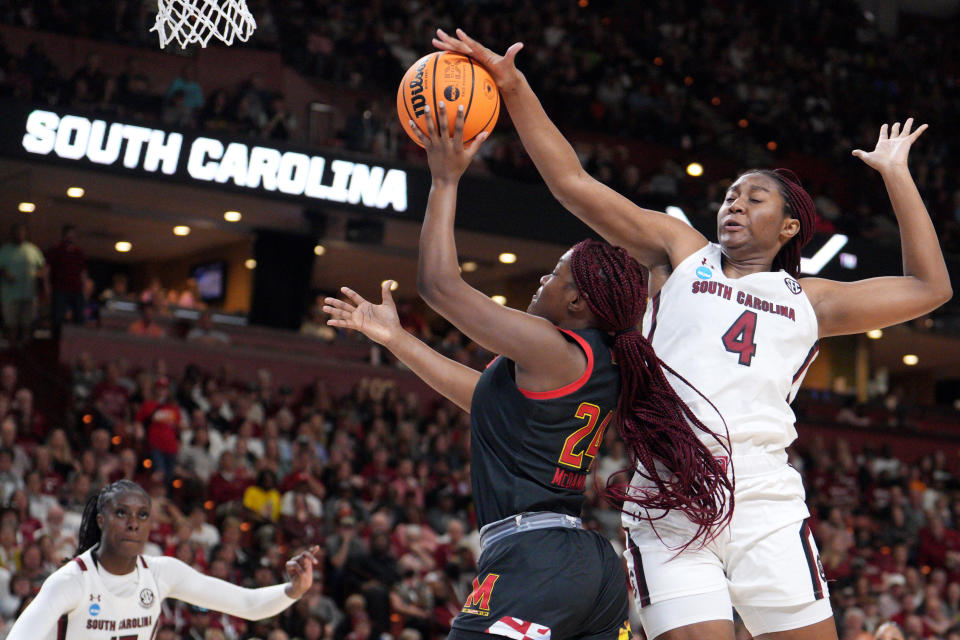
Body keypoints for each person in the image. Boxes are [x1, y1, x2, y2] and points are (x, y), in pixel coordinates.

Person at [431, 28, 953, 640]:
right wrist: (515, 88)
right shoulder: (681, 253)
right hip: (668, 494)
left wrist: (896, 175)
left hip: (762, 494)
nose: (734, 203)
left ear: (789, 226)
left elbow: (929, 287)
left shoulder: (814, 300)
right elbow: (572, 183)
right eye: (731, 195)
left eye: (754, 199)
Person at [323, 103, 731, 640]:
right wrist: (397, 339)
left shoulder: (554, 347)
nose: (543, 279)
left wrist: (445, 179)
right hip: (586, 568)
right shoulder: (600, 358)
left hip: (537, 561)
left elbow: (440, 286)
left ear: (580, 302)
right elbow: (483, 399)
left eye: (556, 275)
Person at [6, 479, 320, 639]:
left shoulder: (161, 573)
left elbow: (248, 605)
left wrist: (293, 590)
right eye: (121, 513)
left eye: (142, 515)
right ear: (101, 520)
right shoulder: (70, 581)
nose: (133, 523)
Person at [0, 222, 46, 346]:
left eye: (22, 232)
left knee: (27, 324)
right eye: (17, 232)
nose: (20, 234)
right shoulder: (5, 250)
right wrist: (5, 273)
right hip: (10, 294)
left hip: (29, 294)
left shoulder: (33, 250)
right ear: (12, 234)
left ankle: (24, 350)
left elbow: (43, 267)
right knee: (11, 324)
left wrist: (40, 276)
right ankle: (11, 350)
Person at [45, 224, 87, 340]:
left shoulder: (78, 252)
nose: (71, 237)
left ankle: (76, 339)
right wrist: (47, 286)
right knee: (58, 317)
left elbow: (83, 273)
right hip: (60, 288)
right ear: (64, 235)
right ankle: (56, 340)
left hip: (76, 289)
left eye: (73, 235)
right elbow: (47, 269)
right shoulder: (56, 249)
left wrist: (85, 289)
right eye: (69, 234)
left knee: (79, 317)